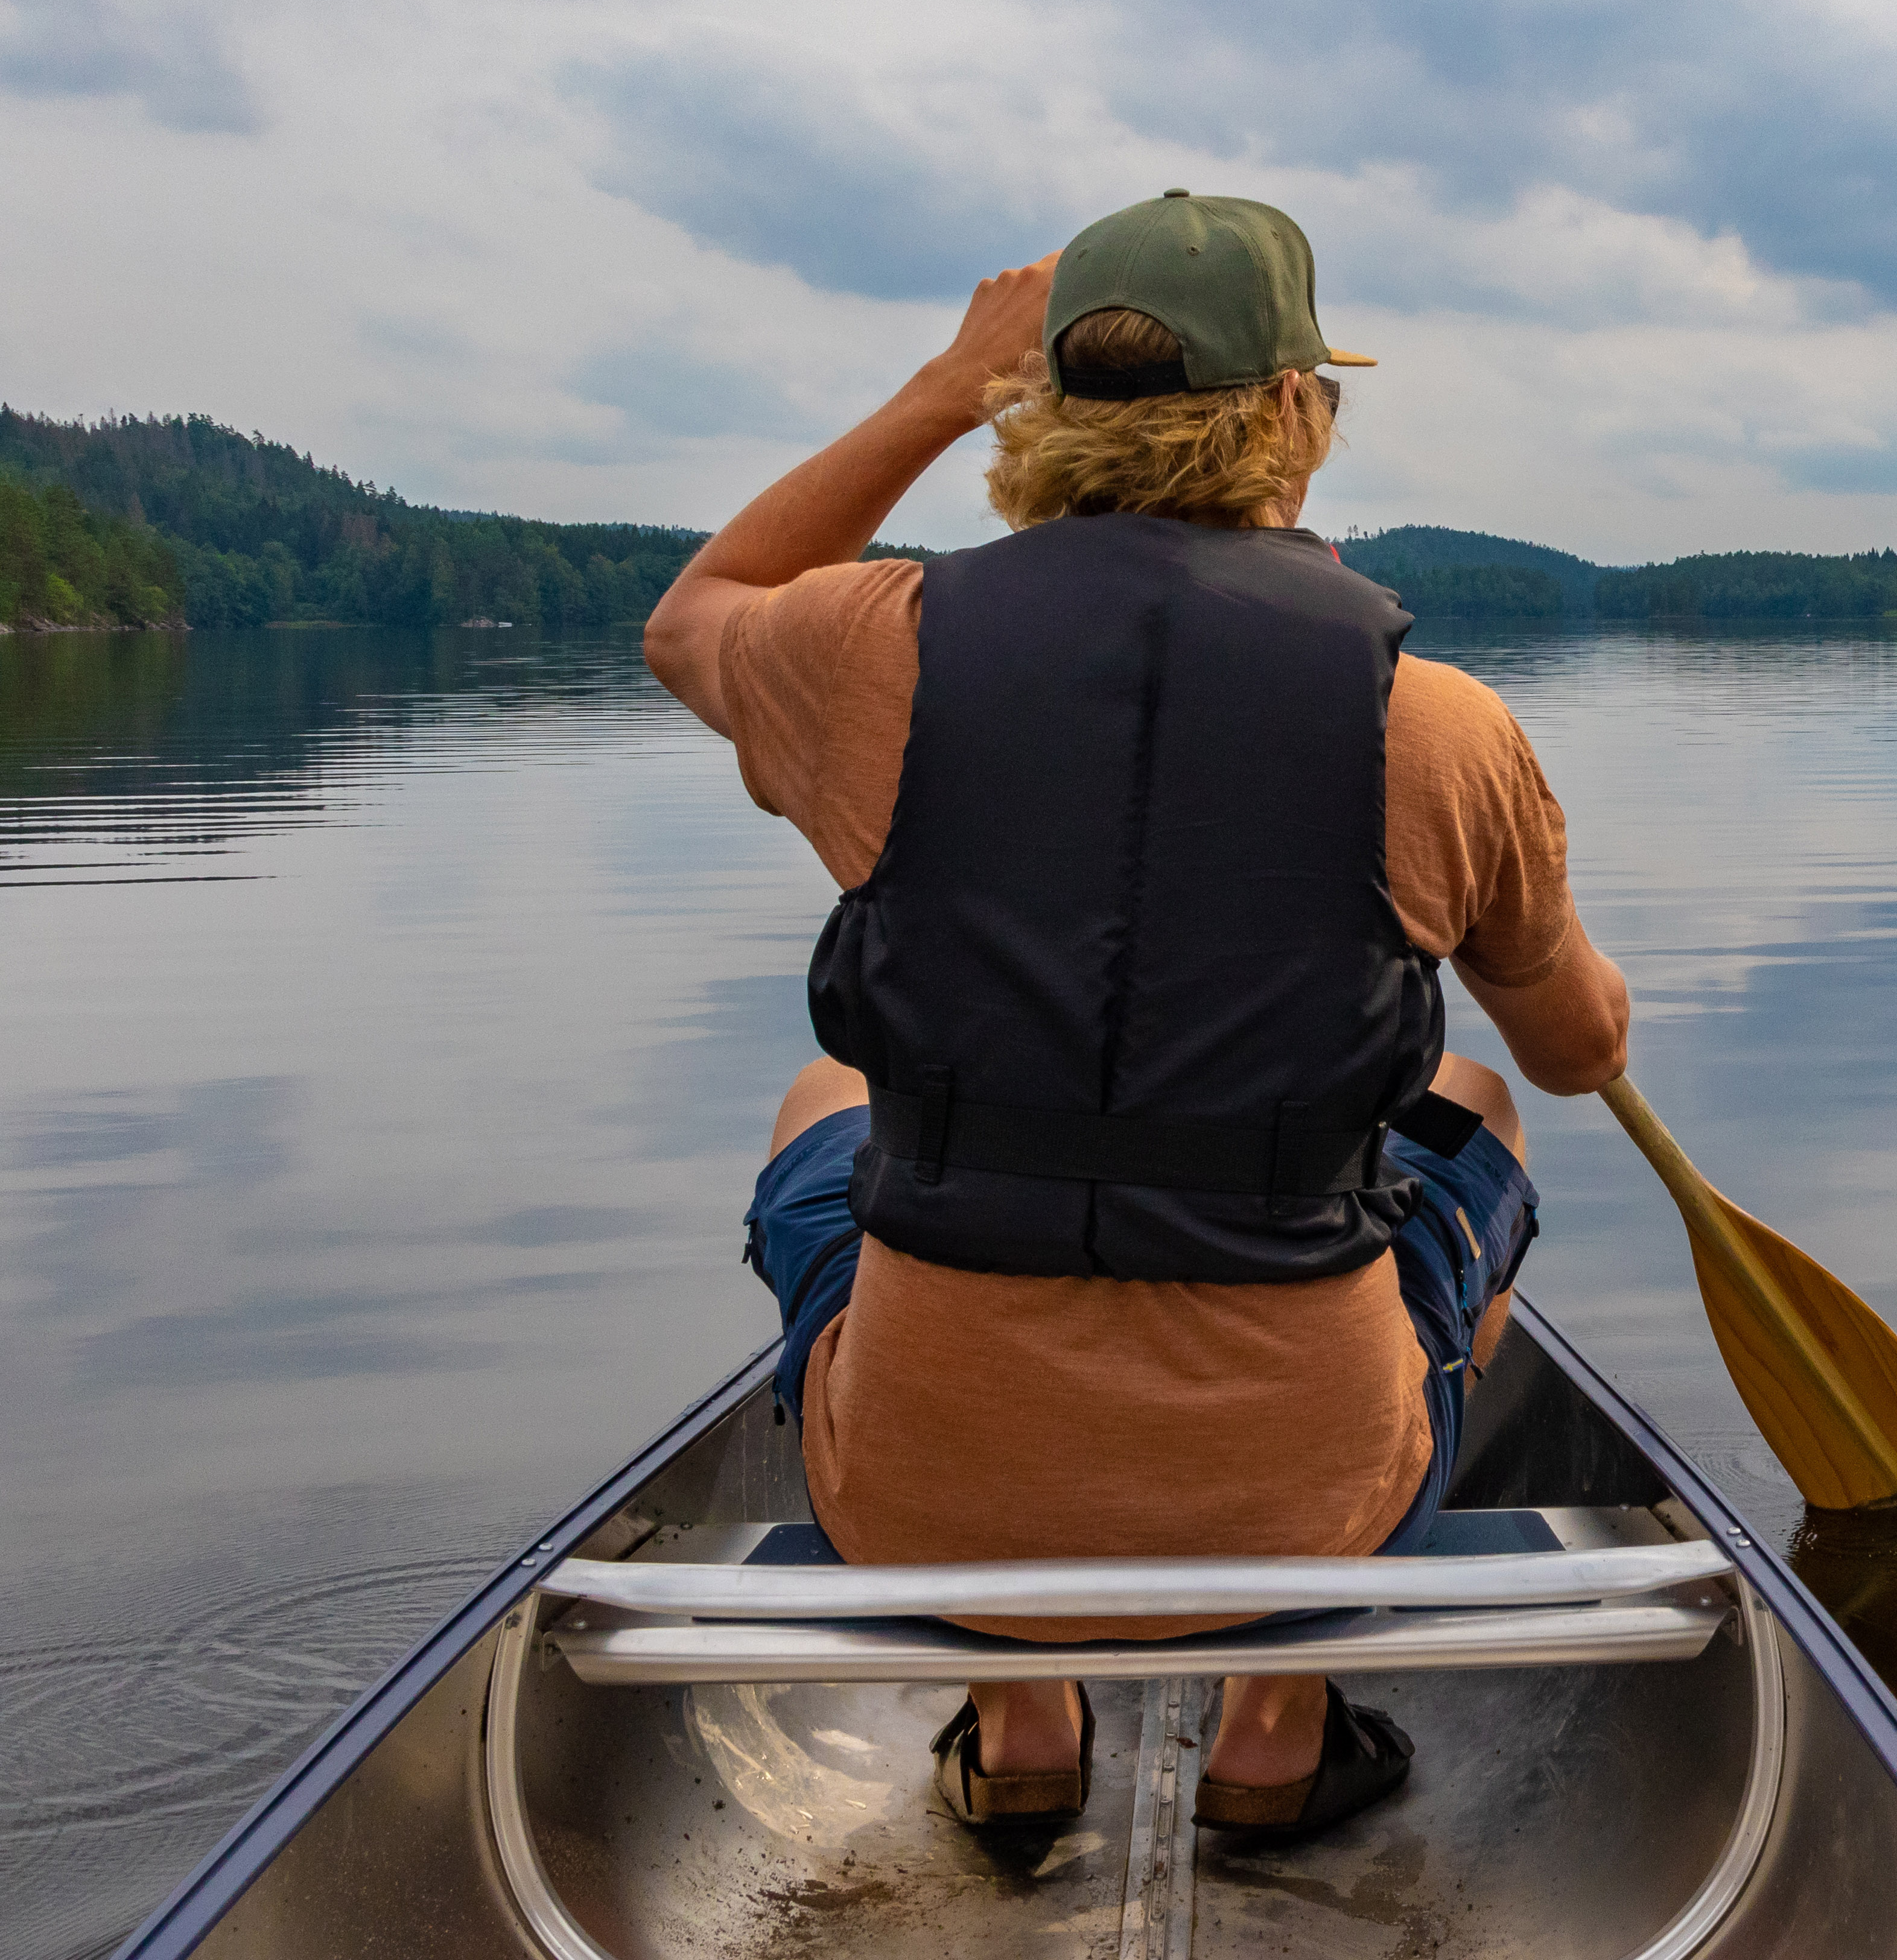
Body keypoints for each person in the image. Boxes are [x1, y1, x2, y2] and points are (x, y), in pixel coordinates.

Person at [641, 191, 1631, 1839]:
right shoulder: (1441, 726)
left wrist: (939, 385)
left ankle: (1025, 1724)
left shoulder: (862, 650)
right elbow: (1577, 1052)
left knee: (830, 1089)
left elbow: (689, 620)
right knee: (1480, 1099)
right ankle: (1273, 1729)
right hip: (1306, 1504)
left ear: (1033, 413)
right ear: (1294, 418)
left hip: (917, 1499)